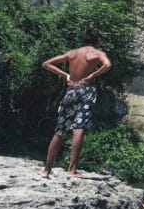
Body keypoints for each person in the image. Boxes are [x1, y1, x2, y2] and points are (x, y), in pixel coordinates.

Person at [39, 27, 112, 178]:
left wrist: (65, 75)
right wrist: (93, 74)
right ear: (97, 40)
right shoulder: (96, 53)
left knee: (59, 131)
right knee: (78, 129)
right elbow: (107, 65)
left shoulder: (72, 53)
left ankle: (46, 170)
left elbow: (46, 64)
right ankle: (71, 170)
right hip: (86, 91)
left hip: (71, 91)